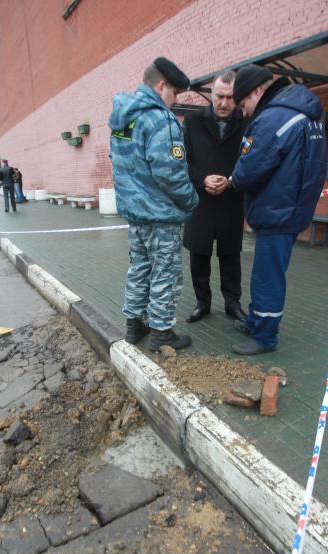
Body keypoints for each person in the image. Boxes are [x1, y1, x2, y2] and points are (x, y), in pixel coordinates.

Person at [231, 65, 327, 355]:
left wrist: (233, 179)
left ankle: (264, 337)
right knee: (268, 271)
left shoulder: (274, 118)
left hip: (277, 212)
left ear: (256, 91)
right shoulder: (304, 114)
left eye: (243, 103)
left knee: (267, 277)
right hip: (291, 209)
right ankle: (255, 320)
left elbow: (249, 169)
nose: (244, 112)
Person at [109, 57, 199, 352]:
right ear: (162, 86)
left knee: (139, 269)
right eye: (174, 93)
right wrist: (191, 199)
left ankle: (135, 325)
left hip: (135, 215)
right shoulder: (160, 119)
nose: (174, 101)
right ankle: (162, 334)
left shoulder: (124, 117)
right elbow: (170, 173)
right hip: (161, 216)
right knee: (165, 273)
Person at [183, 71, 248, 324]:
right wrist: (203, 179)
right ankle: (203, 303)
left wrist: (231, 180)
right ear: (211, 95)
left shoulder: (246, 122)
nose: (224, 103)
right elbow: (182, 162)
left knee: (231, 256)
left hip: (231, 201)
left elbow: (250, 160)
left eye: (231, 98)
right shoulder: (192, 122)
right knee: (198, 255)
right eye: (220, 96)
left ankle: (232, 303)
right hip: (200, 202)